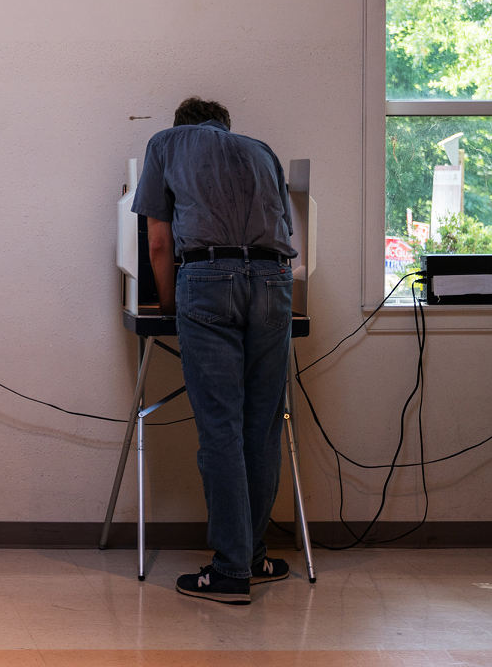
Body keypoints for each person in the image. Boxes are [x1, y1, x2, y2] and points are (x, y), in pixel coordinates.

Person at [131, 98, 296, 605]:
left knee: (220, 426)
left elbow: (159, 241)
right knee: (262, 426)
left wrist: (167, 304)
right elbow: (288, 229)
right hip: (274, 282)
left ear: (183, 124)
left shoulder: (165, 142)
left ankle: (229, 571)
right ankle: (252, 557)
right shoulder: (262, 150)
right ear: (226, 126)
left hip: (207, 279)